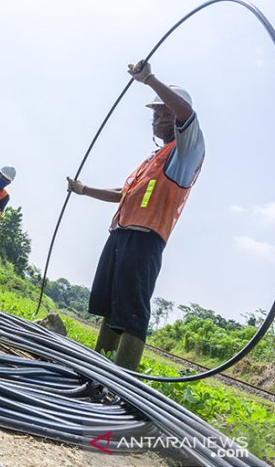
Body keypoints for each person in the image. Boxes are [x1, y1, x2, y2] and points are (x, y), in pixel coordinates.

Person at [67, 60, 204, 371]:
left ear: (172, 117)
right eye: (154, 115)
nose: (154, 120)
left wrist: (150, 80)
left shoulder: (187, 151)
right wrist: (84, 189)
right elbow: (124, 193)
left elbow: (188, 115)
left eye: (159, 114)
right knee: (110, 304)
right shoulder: (153, 157)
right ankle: (99, 370)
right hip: (121, 233)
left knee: (131, 311)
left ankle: (123, 381)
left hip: (146, 238)